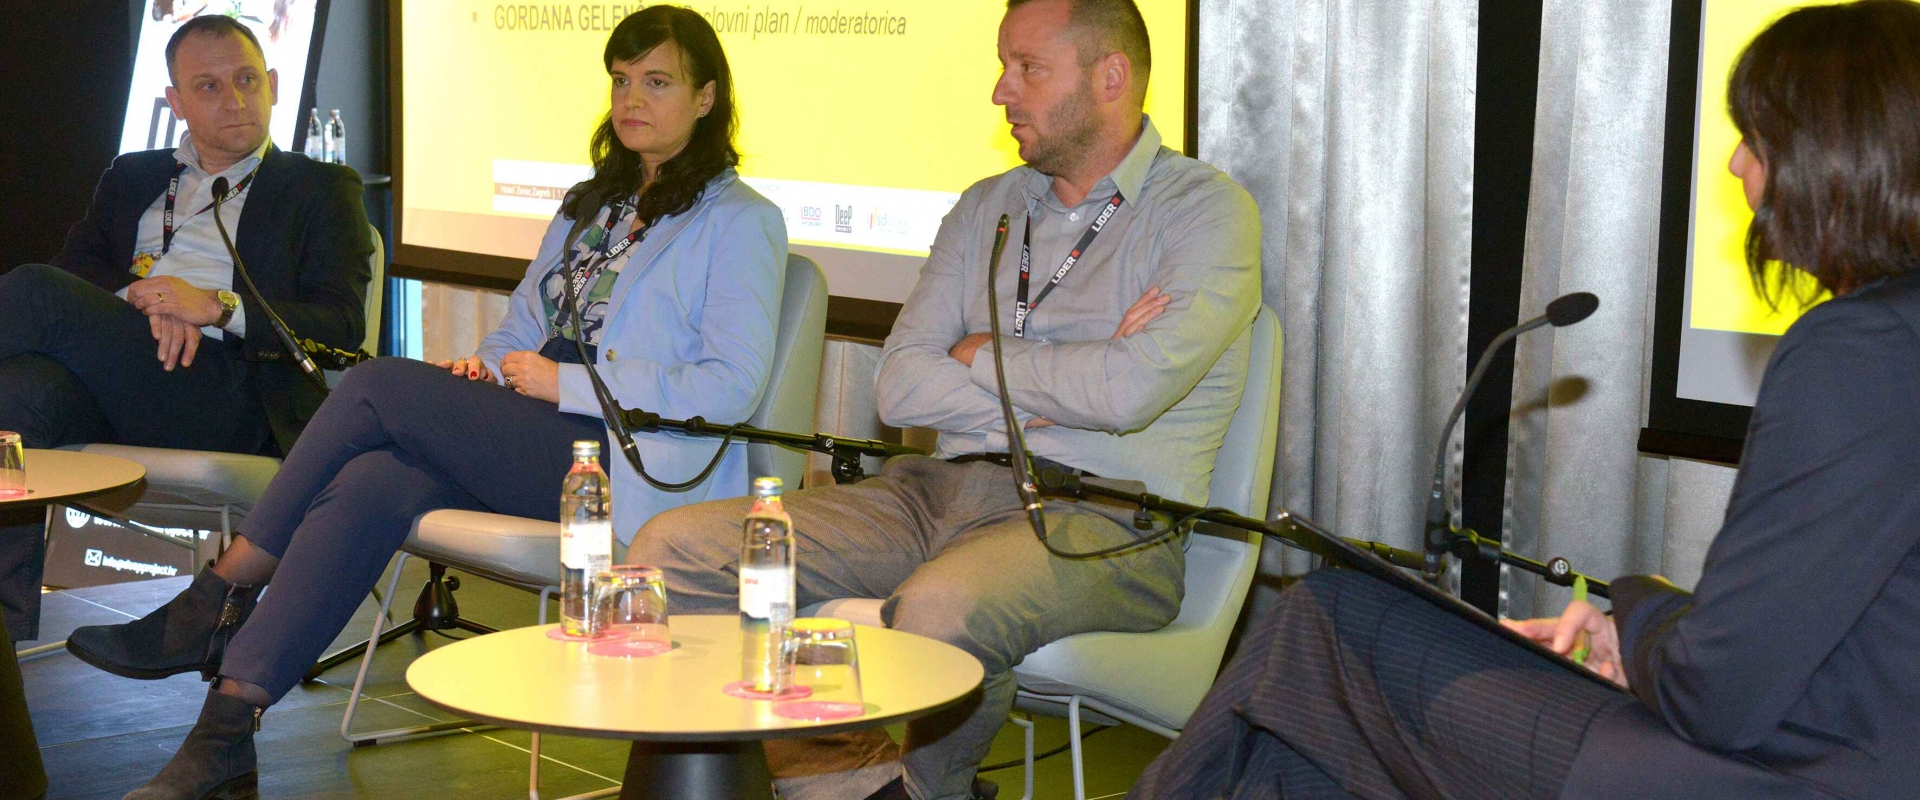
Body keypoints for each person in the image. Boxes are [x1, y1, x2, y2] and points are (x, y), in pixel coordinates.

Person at [1133, 3, 1920, 798]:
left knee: (1324, 619)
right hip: (1823, 742)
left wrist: (1638, 619)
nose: (1735, 165)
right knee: (1299, 754)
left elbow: (1716, 697)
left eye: (1756, 139)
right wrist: (1640, 638)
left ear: (1837, 158)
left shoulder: (1856, 352)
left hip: (1784, 774)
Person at [63, 7, 787, 799]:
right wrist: (482, 370)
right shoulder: (593, 205)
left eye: (657, 82)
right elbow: (522, 326)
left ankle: (218, 594)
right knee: (375, 480)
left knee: (377, 384)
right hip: (539, 426)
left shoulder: (741, 220)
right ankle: (225, 732)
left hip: (627, 458)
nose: (632, 99)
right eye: (621, 81)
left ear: (707, 97)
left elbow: (730, 385)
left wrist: (568, 384)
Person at [626, 1, 1261, 797]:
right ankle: (853, 782)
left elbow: (1130, 392)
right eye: (1003, 66)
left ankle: (928, 791)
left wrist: (980, 354)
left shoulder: (1204, 211)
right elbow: (900, 385)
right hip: (933, 493)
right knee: (672, 551)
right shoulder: (986, 207)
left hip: (1100, 514)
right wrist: (1072, 376)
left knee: (942, 609)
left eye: (1028, 68)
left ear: (1110, 77)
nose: (1001, 90)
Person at [0, 14, 371, 643]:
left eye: (248, 80)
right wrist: (144, 298)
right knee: (20, 393)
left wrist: (215, 306)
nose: (235, 100)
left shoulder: (320, 188)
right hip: (125, 375)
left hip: (231, 393)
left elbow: (341, 325)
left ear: (273, 84)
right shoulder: (133, 175)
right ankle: (3, 637)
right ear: (175, 102)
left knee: (35, 290)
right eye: (208, 87)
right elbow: (78, 269)